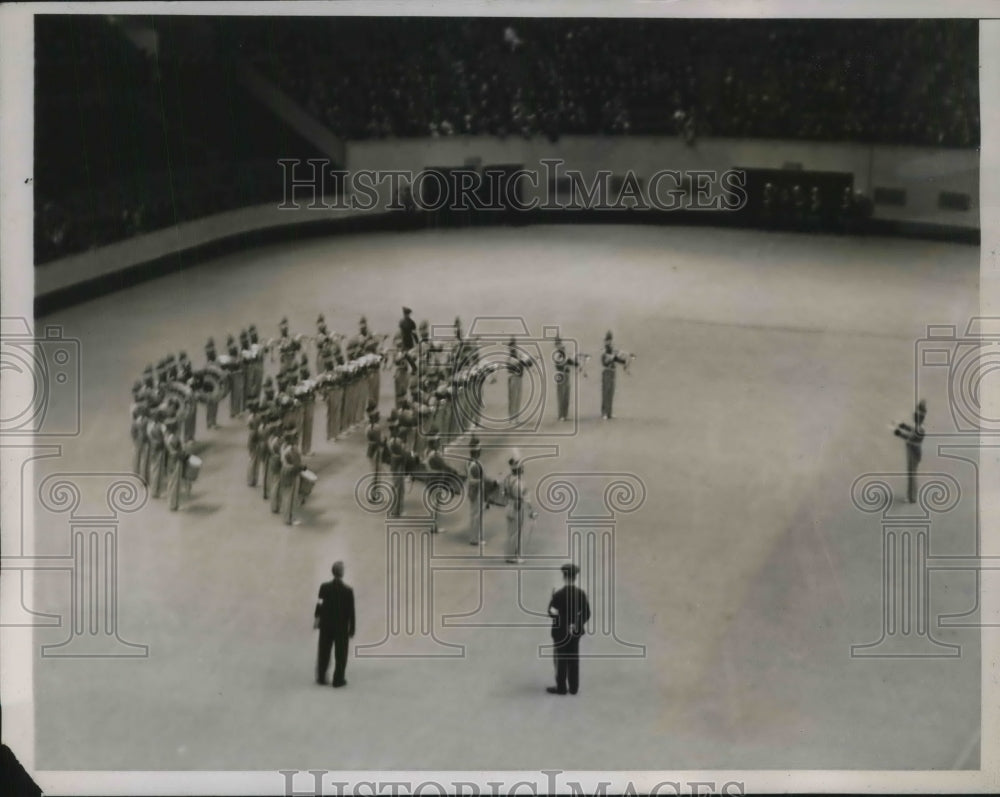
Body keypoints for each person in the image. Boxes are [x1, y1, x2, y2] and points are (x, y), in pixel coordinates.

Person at [546, 563, 591, 696]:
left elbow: (551, 612)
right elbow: (587, 613)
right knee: (574, 658)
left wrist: (551, 598)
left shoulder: (558, 594)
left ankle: (561, 687)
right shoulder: (581, 594)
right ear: (575, 577)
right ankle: (574, 687)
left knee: (561, 658)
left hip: (561, 632)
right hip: (575, 631)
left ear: (564, 577)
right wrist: (577, 623)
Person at [314, 561, 356, 688]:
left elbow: (319, 604)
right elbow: (351, 611)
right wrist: (352, 628)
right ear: (342, 573)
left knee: (324, 652)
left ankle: (321, 677)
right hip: (341, 627)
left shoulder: (324, 587)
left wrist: (317, 619)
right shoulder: (348, 591)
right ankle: (338, 679)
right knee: (341, 654)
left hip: (326, 625)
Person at [504, 453, 536, 563]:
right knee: (517, 533)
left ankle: (509, 555)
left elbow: (503, 492)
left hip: (508, 506)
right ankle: (515, 556)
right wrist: (531, 511)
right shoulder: (520, 483)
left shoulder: (507, 479)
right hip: (517, 508)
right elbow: (526, 498)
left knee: (511, 532)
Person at [894, 399, 927, 504]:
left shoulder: (919, 429)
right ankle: (911, 495)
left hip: (913, 451)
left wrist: (898, 433)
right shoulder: (919, 427)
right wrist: (903, 426)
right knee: (911, 474)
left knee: (912, 474)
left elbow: (909, 437)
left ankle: (912, 497)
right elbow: (911, 429)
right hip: (913, 450)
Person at [552, 335, 583, 422]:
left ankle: (565, 414)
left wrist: (577, 364)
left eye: (560, 343)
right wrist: (568, 357)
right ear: (556, 345)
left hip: (567, 375)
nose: (560, 345)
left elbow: (570, 362)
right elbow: (561, 363)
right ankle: (561, 415)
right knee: (561, 394)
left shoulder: (563, 354)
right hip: (561, 375)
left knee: (566, 394)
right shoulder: (556, 354)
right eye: (558, 344)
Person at [600, 331, 629, 420]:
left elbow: (616, 359)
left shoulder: (612, 351)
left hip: (612, 372)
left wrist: (624, 362)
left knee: (611, 392)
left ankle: (609, 413)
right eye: (608, 341)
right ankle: (604, 413)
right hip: (607, 372)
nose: (610, 342)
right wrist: (612, 357)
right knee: (606, 392)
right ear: (605, 342)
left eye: (611, 341)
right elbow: (604, 362)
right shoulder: (604, 351)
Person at [466, 437, 485, 546]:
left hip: (472, 490)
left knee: (474, 514)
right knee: (476, 515)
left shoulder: (470, 462)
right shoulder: (476, 466)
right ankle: (475, 538)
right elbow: (479, 480)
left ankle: (474, 537)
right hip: (476, 491)